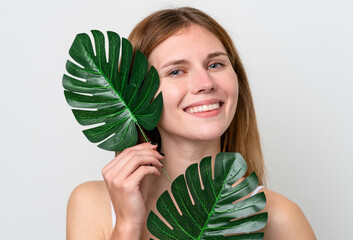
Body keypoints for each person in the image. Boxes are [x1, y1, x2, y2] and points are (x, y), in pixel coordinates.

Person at [66, 7, 316, 240]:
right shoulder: (94, 204)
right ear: (138, 93)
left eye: (215, 64)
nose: (205, 83)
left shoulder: (280, 217)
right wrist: (128, 224)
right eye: (176, 71)